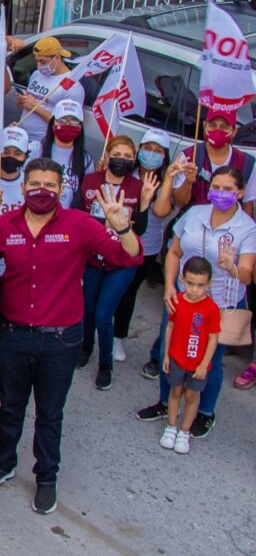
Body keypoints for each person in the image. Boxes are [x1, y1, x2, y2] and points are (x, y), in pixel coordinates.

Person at [0, 157, 142, 516]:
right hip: (12, 336)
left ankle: (46, 477)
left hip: (60, 341)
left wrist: (122, 227)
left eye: (50, 185)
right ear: (23, 187)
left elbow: (129, 258)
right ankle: (3, 464)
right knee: (10, 406)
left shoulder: (79, 224)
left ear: (62, 189)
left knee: (50, 413)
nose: (42, 191)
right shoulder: (3, 226)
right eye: (35, 184)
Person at [136, 166, 256, 438]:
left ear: (240, 193)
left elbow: (247, 274)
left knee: (210, 360)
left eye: (228, 189)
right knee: (170, 352)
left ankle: (205, 413)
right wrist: (169, 286)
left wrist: (231, 267)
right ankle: (165, 403)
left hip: (219, 305)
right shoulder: (195, 213)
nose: (220, 193)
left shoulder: (248, 228)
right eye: (216, 187)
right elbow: (174, 252)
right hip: (182, 298)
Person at [77, 136, 159, 390]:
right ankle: (86, 348)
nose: (122, 160)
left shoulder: (138, 186)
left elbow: (140, 230)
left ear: (133, 160)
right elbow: (79, 216)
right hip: (93, 260)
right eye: (117, 154)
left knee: (103, 315)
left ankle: (106, 364)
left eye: (127, 156)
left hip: (122, 263)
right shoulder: (91, 181)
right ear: (108, 155)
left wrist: (145, 204)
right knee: (88, 311)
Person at [114, 129, 176, 374]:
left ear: (165, 156)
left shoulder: (167, 182)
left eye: (158, 151)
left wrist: (167, 181)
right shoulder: (125, 171)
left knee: (129, 292)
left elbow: (160, 212)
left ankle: (118, 336)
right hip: (116, 241)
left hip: (146, 247)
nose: (151, 154)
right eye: (147, 148)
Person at [160, 256, 220, 455]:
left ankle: (184, 431)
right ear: (182, 279)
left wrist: (204, 364)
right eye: (190, 283)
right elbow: (169, 327)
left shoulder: (211, 308)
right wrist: (166, 355)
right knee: (175, 391)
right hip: (177, 358)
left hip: (197, 363)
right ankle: (171, 427)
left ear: (209, 284)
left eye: (200, 285)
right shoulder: (177, 301)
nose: (195, 289)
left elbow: (213, 338)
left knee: (192, 395)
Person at [171, 108, 256, 216]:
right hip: (192, 223)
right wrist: (188, 182)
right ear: (204, 126)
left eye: (224, 127)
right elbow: (179, 203)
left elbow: (247, 206)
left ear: (234, 132)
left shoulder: (247, 163)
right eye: (212, 125)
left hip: (229, 225)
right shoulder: (189, 156)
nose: (217, 131)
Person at [15, 37, 85, 143]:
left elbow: (67, 127)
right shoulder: (36, 74)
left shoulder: (72, 86)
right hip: (22, 137)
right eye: (37, 61)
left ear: (57, 58)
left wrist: (36, 107)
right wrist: (23, 101)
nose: (39, 66)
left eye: (43, 62)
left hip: (43, 141)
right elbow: (31, 103)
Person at [31, 99, 93, 209]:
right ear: (53, 123)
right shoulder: (36, 149)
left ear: (81, 126)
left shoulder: (86, 160)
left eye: (74, 121)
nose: (67, 124)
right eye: (62, 120)